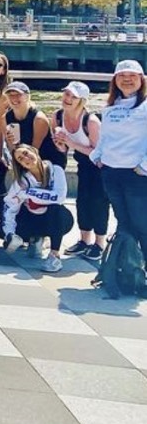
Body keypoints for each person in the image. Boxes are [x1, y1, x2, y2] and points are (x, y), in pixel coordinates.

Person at [90, 60, 147, 279]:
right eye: (122, 75)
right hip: (112, 173)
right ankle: (128, 267)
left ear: (141, 80)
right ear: (115, 80)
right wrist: (98, 157)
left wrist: (143, 166)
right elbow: (105, 138)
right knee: (123, 223)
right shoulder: (111, 107)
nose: (127, 79)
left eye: (133, 75)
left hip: (137, 175)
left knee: (142, 223)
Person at [52, 81, 105, 260]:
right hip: (82, 162)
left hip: (100, 165)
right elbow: (63, 149)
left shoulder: (90, 121)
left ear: (81, 100)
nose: (67, 99)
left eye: (73, 97)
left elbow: (99, 153)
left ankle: (99, 243)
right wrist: (60, 143)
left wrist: (70, 143)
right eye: (66, 94)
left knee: (98, 201)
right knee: (82, 201)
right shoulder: (58, 116)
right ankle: (84, 240)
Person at [2, 143, 73, 272]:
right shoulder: (21, 181)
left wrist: (29, 193)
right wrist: (10, 234)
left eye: (26, 153)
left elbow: (59, 197)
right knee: (1, 229)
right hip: (32, 220)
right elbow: (10, 206)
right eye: (21, 159)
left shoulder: (55, 170)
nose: (26, 159)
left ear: (34, 151)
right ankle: (34, 239)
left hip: (54, 220)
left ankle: (54, 256)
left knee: (56, 209)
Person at [2, 81, 60, 167]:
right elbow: (13, 149)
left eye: (18, 95)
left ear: (27, 97)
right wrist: (10, 142)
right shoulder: (6, 117)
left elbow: (34, 151)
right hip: (24, 159)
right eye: (11, 95)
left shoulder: (39, 119)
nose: (14, 98)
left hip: (47, 161)